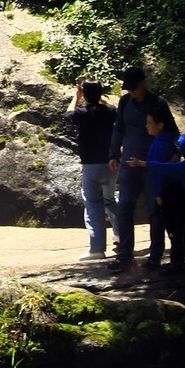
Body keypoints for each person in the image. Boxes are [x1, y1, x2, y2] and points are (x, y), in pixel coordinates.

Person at [109, 66, 180, 271]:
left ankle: (155, 256)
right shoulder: (125, 102)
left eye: (135, 87)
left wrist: (175, 152)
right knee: (124, 207)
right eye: (128, 88)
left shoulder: (158, 103)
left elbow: (172, 131)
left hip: (151, 166)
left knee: (154, 210)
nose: (132, 91)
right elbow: (118, 128)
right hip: (128, 164)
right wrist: (113, 153)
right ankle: (124, 256)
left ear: (144, 82)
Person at [68, 79, 117, 259]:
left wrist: (76, 96)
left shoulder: (82, 113)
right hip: (111, 164)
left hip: (91, 165)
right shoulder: (110, 111)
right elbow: (115, 110)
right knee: (110, 200)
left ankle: (97, 249)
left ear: (84, 95)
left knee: (93, 205)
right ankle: (121, 238)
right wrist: (101, 98)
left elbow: (68, 114)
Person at [138, 104, 185, 274]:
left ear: (160, 125)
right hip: (176, 190)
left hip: (167, 192)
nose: (146, 126)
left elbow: (158, 171)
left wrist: (158, 194)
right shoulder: (170, 141)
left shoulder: (158, 145)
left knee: (173, 229)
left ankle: (176, 263)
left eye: (149, 123)